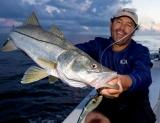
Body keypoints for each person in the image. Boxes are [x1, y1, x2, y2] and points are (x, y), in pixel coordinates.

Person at [76, 8, 156, 123]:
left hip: (136, 104)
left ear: (133, 31)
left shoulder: (140, 51)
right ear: (111, 24)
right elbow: (74, 51)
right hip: (106, 101)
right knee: (92, 119)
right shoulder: (99, 45)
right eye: (119, 22)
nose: (122, 28)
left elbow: (144, 76)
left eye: (129, 25)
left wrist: (121, 81)